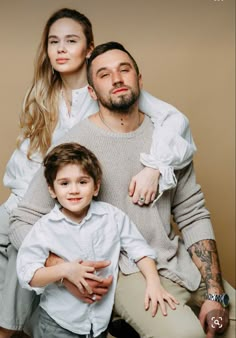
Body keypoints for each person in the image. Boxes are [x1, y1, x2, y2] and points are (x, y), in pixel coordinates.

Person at [10, 42, 235, 338]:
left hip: (177, 261)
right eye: (104, 74)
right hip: (126, 272)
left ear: (139, 80)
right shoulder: (74, 146)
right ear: (92, 92)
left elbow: (193, 214)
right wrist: (64, 270)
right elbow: (22, 219)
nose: (117, 79)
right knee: (186, 335)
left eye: (124, 70)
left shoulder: (168, 141)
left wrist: (215, 293)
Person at [16, 142, 178, 338]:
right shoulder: (45, 228)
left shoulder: (113, 217)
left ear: (96, 186)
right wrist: (66, 270)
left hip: (99, 324)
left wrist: (153, 283)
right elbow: (28, 274)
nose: (74, 190)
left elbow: (140, 250)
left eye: (82, 182)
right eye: (64, 183)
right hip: (58, 323)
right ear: (52, 190)